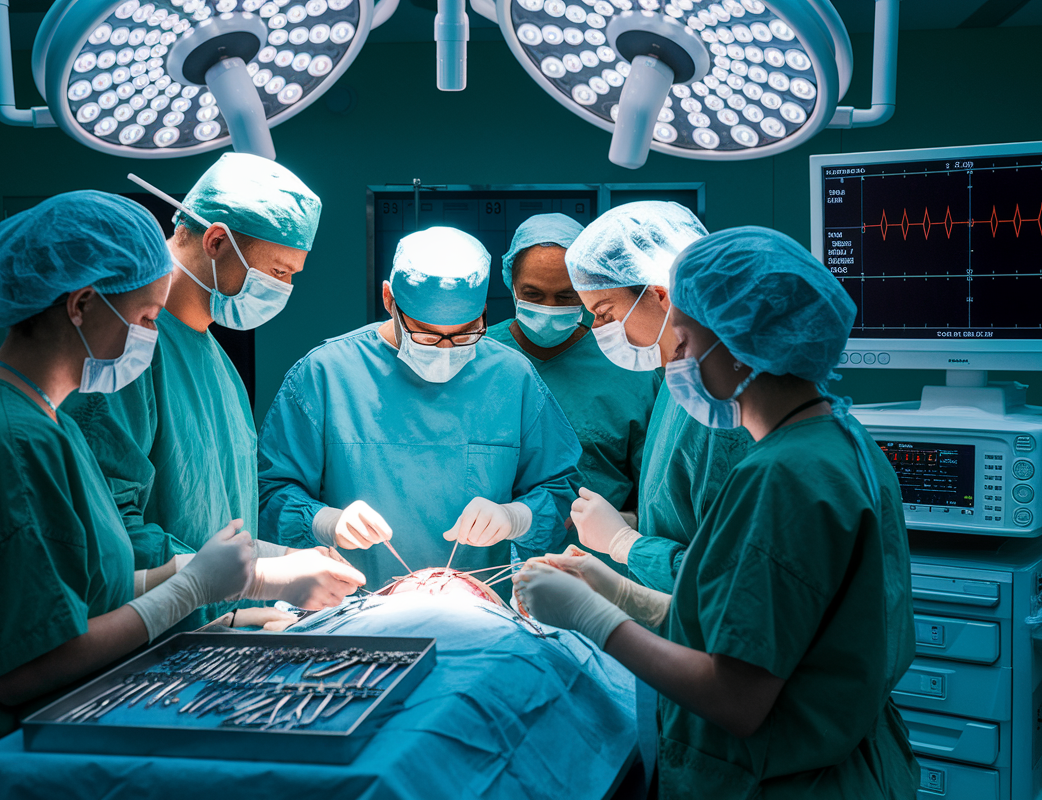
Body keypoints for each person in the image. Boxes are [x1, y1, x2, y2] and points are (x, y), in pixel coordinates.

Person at [0, 192, 270, 800]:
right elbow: (29, 664)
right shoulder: (1, 441)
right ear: (82, 304)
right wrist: (190, 592)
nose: (149, 337)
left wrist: (199, 575)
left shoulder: (44, 420)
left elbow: (76, 586)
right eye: (145, 317)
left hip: (37, 753)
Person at [515, 226, 918, 798]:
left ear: (737, 342)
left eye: (683, 340)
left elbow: (736, 697)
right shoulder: (840, 440)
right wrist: (622, 592)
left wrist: (593, 618)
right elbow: (754, 628)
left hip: (789, 781)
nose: (676, 358)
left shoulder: (780, 476)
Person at [64, 154, 365, 629]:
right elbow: (108, 536)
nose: (284, 289)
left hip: (205, 636)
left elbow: (216, 518)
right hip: (136, 645)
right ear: (217, 240)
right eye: (280, 272)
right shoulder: (124, 350)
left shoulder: (218, 363)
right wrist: (261, 576)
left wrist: (275, 563)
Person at [258, 226, 581, 590]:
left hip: (475, 615)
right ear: (388, 300)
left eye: (464, 334)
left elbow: (561, 487)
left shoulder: (511, 376)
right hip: (348, 609)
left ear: (485, 312)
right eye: (425, 336)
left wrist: (516, 517)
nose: (445, 351)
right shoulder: (325, 375)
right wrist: (323, 521)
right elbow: (270, 492)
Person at [562, 202, 751, 594]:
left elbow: (731, 581)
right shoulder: (677, 380)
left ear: (660, 295)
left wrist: (624, 544)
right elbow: (687, 514)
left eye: (604, 312)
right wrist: (636, 523)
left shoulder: (722, 403)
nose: (596, 329)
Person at [484, 213, 659, 573]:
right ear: (510, 284)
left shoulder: (629, 363)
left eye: (565, 296)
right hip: (486, 565)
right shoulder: (478, 357)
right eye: (532, 294)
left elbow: (656, 489)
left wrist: (628, 525)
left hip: (600, 568)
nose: (548, 308)